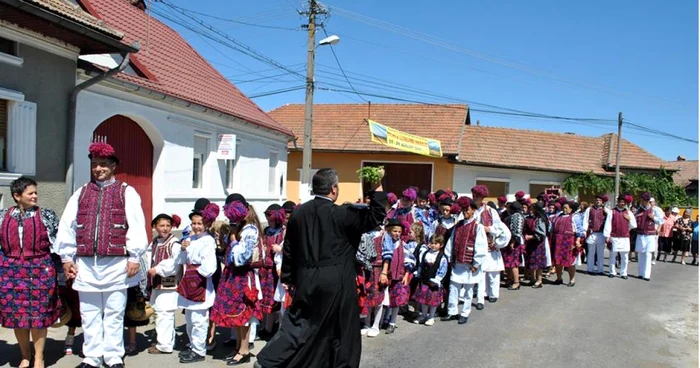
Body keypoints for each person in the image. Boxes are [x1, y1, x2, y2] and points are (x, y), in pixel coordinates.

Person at [256, 168, 387, 368]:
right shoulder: (343, 213)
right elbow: (376, 215)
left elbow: (289, 248)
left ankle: (270, 360)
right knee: (341, 330)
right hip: (337, 281)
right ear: (334, 189)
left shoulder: (299, 212)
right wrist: (377, 184)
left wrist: (289, 278)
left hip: (306, 279)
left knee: (302, 323)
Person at [56, 141, 147, 368]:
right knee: (89, 313)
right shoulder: (82, 192)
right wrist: (66, 257)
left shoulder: (127, 192)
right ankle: (93, 356)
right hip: (86, 264)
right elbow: (67, 225)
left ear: (114, 166)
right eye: (95, 164)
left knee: (114, 312)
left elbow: (136, 225)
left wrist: (135, 256)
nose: (98, 169)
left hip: (117, 263)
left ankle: (114, 356)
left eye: (103, 164)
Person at [0, 177, 61, 368]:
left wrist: (60, 272)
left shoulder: (47, 216)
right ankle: (25, 355)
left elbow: (58, 245)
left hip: (40, 271)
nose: (35, 196)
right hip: (10, 273)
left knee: (39, 317)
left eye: (36, 192)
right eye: (30, 193)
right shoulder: (2, 216)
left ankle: (39, 357)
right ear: (17, 196)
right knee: (18, 317)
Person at [210, 195, 262, 366]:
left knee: (244, 314)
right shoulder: (239, 228)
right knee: (237, 314)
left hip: (243, 277)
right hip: (233, 276)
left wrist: (232, 242)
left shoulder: (250, 230)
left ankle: (244, 350)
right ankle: (239, 346)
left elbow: (242, 258)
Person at [177, 203, 218, 364]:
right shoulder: (190, 239)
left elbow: (209, 267)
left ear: (206, 224)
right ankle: (193, 345)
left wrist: (196, 272)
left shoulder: (208, 241)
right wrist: (182, 249)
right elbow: (181, 261)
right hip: (189, 282)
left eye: (199, 223)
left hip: (200, 283)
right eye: (194, 223)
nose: (196, 226)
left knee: (199, 320)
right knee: (190, 318)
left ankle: (199, 350)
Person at [442, 197, 488, 325]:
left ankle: (465, 312)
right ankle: (452, 311)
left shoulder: (477, 227)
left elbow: (481, 246)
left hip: (469, 265)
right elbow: (451, 242)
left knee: (468, 290)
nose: (465, 212)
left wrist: (476, 263)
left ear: (473, 210)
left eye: (467, 210)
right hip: (457, 263)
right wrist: (449, 258)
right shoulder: (458, 225)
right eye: (463, 210)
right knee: (454, 287)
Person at [146, 213, 182, 354]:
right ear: (155, 226)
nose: (165, 228)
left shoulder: (174, 243)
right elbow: (148, 256)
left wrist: (158, 268)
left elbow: (175, 263)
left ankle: (165, 345)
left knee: (165, 313)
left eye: (168, 225)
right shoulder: (155, 241)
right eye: (162, 225)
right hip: (157, 283)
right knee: (160, 312)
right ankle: (164, 339)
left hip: (169, 285)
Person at [413, 234, 448, 326]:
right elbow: (421, 265)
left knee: (433, 301)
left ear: (441, 245)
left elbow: (443, 270)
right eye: (431, 243)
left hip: (434, 283)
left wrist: (437, 280)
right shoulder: (425, 253)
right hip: (424, 280)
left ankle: (431, 316)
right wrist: (419, 273)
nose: (433, 245)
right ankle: (424, 315)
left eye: (436, 243)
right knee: (424, 299)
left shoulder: (442, 257)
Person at [605, 195, 636, 279]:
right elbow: (608, 224)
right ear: (618, 202)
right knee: (613, 255)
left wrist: (629, 219)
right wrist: (607, 235)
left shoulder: (628, 212)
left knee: (625, 256)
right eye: (620, 202)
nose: (622, 203)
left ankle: (623, 273)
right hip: (614, 236)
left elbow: (634, 225)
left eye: (623, 202)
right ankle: (612, 272)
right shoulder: (612, 212)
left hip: (625, 237)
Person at [550, 201, 581, 287]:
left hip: (569, 241)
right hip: (557, 241)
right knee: (557, 261)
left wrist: (577, 241)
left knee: (570, 261)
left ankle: (572, 279)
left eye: (566, 208)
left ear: (571, 209)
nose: (564, 209)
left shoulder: (575, 217)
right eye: (563, 208)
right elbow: (552, 228)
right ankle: (559, 278)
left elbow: (579, 231)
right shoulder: (558, 216)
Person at [634, 192, 662, 281]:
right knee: (641, 253)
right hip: (640, 234)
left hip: (650, 235)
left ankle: (647, 275)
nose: (643, 201)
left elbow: (661, 221)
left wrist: (653, 218)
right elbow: (633, 219)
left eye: (645, 200)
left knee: (648, 254)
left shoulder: (655, 210)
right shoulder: (639, 209)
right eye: (642, 200)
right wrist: (636, 216)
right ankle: (641, 273)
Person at [524, 203, 548, 288]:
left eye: (532, 209)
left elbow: (542, 233)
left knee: (538, 262)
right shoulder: (530, 218)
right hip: (531, 243)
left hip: (538, 243)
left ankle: (539, 280)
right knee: (531, 261)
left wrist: (531, 236)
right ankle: (532, 279)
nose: (531, 210)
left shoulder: (540, 220)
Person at [583, 194, 608, 275]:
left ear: (602, 202)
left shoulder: (606, 210)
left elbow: (609, 221)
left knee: (600, 253)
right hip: (592, 233)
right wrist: (584, 231)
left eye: (600, 200)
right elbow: (585, 220)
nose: (598, 202)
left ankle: (600, 270)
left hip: (601, 233)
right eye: (597, 200)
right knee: (591, 253)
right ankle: (590, 269)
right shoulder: (589, 209)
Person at [503, 201, 525, 289]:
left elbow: (516, 231)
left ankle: (516, 282)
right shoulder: (517, 215)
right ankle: (509, 279)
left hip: (514, 242)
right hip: (511, 241)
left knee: (513, 263)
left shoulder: (517, 216)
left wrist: (513, 241)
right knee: (508, 262)